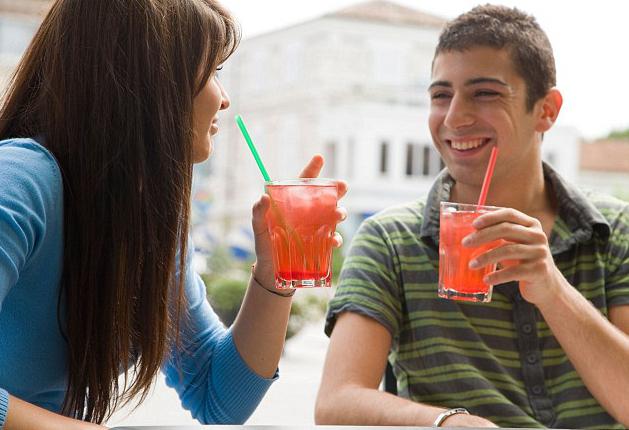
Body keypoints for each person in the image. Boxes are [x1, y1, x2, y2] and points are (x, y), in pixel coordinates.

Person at [0, 0, 346, 429]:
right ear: (151, 79)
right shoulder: (20, 179)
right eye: (214, 72)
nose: (225, 99)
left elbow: (218, 397)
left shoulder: (146, 223)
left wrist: (274, 278)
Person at [316, 4, 629, 429]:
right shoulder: (390, 240)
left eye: (485, 93)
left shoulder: (615, 230)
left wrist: (553, 289)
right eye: (440, 95)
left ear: (547, 110)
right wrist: (446, 422)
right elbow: (336, 404)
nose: (454, 117)